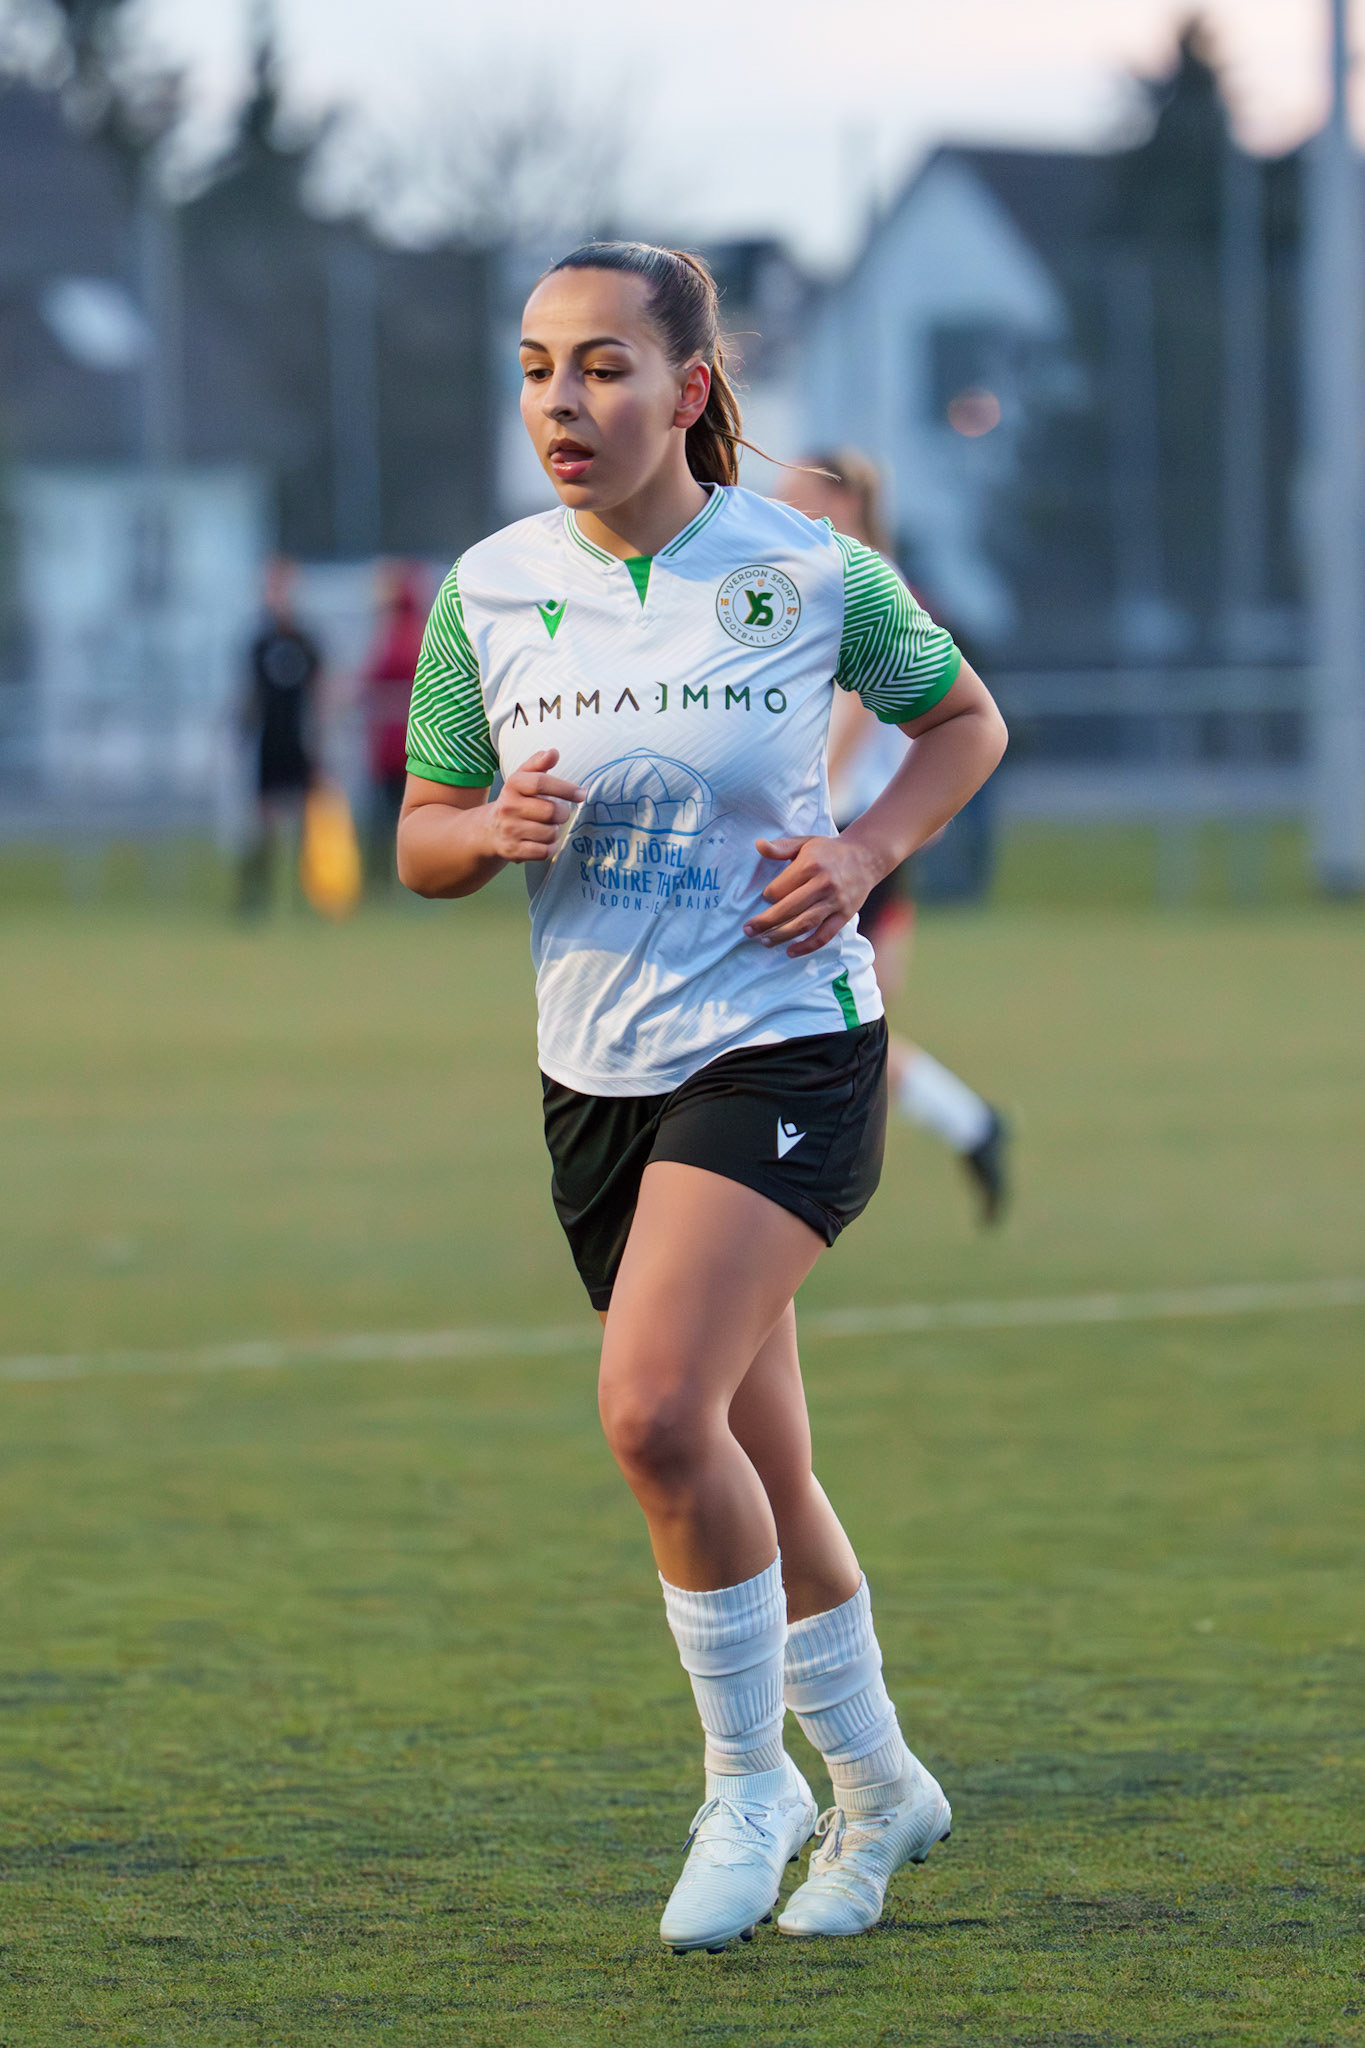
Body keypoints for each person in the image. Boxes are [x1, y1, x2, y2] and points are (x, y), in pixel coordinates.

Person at [397, 244, 1006, 1952]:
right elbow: (421, 835)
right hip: (597, 1074)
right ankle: (883, 1779)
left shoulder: (807, 570)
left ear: (692, 388)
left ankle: (754, 1782)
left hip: (786, 1043)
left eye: (601, 366)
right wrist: (484, 833)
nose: (561, 404)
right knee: (756, 1456)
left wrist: (868, 848)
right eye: (536, 368)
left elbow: (962, 721)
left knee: (658, 1409)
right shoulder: (489, 593)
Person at [779, 451, 1010, 1224]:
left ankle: (784, 1181)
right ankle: (970, 1124)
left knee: (827, 1025)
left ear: (843, 508)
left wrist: (817, 802)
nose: (784, 514)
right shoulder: (821, 572)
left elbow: (852, 713)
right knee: (837, 1023)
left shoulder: (855, 580)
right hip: (867, 828)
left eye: (801, 501)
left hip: (849, 832)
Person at [237, 556, 322, 917]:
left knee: (306, 824)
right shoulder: (258, 643)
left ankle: (306, 898)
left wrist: (320, 736)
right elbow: (250, 696)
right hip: (268, 743)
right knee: (262, 824)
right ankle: (254, 897)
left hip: (298, 742)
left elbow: (321, 691)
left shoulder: (306, 642)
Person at [361, 563, 427, 891]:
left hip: (398, 746)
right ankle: (389, 882)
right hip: (399, 746)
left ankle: (394, 882)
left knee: (393, 820)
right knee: (390, 819)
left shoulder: (403, 637)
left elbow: (376, 679)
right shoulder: (409, 633)